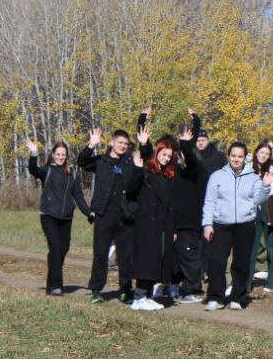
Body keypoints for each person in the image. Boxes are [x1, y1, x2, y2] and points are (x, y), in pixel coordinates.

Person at [202, 141, 273, 310]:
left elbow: (259, 199)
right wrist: (207, 224)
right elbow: (209, 202)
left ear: (245, 158)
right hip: (221, 224)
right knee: (216, 261)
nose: (236, 159)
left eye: (240, 156)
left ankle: (238, 297)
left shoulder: (253, 177)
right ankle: (216, 297)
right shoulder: (217, 176)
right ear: (228, 156)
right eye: (233, 155)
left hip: (245, 225)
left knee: (241, 263)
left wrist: (265, 185)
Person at [78, 123, 139, 304]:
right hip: (104, 215)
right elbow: (81, 162)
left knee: (125, 256)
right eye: (120, 142)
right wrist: (91, 145)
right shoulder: (101, 161)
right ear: (112, 142)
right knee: (100, 254)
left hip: (125, 216)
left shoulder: (129, 163)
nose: (123, 146)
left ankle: (125, 290)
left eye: (126, 144)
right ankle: (96, 290)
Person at [26, 139, 93, 296]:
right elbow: (33, 169)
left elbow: (78, 195)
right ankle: (57, 286)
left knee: (62, 249)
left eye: (63, 154)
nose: (60, 157)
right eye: (58, 154)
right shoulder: (47, 170)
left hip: (66, 218)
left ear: (66, 156)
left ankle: (50, 284)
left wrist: (88, 212)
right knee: (55, 247)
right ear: (53, 154)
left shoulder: (72, 174)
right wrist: (34, 153)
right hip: (49, 215)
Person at [127, 126, 174, 311]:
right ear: (158, 152)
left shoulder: (166, 175)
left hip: (160, 225)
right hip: (146, 223)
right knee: (145, 261)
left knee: (156, 261)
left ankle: (146, 295)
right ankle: (138, 297)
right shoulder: (146, 169)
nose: (166, 158)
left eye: (169, 156)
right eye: (164, 154)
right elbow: (130, 189)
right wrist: (144, 141)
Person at [170, 124, 208, 304]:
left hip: (191, 223)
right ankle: (179, 287)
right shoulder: (179, 173)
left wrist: (185, 142)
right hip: (178, 223)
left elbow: (191, 158)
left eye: (181, 154)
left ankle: (194, 289)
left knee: (189, 256)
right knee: (178, 257)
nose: (179, 158)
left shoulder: (198, 171)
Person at [249, 139, 273, 294]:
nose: (263, 155)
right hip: (251, 212)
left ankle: (272, 282)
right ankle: (246, 281)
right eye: (261, 152)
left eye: (267, 153)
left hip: (269, 210)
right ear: (256, 152)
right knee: (250, 248)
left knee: (272, 246)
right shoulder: (248, 168)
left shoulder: (272, 170)